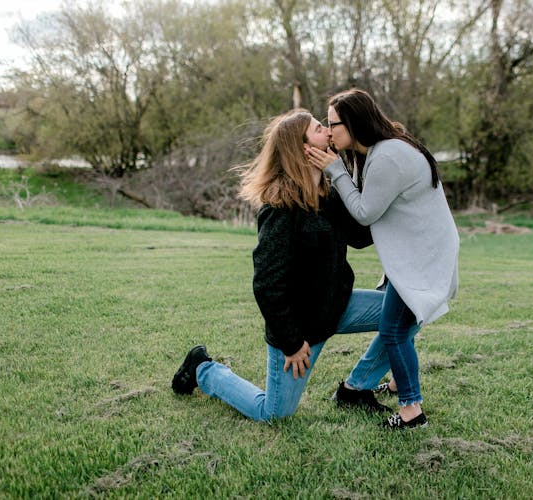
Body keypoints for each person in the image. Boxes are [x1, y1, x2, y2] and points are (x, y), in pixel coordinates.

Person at [171, 109, 391, 422]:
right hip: (300, 329)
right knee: (274, 412)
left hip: (337, 307)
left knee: (405, 313)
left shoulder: (327, 195)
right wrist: (291, 343)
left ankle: (355, 390)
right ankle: (203, 369)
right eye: (319, 128)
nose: (329, 131)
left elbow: (358, 236)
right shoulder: (280, 207)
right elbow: (267, 284)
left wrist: (393, 202)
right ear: (304, 148)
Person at [307, 88, 459, 429]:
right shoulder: (373, 152)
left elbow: (364, 213)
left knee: (393, 330)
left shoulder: (387, 156)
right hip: (411, 251)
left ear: (354, 123)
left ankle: (411, 410)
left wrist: (335, 171)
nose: (328, 132)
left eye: (333, 124)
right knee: (399, 326)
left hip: (420, 256)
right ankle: (382, 385)